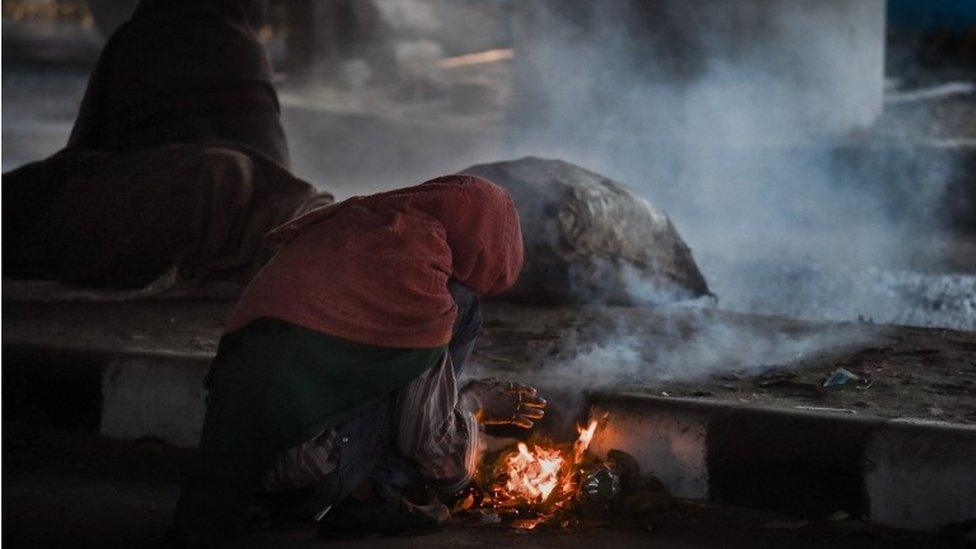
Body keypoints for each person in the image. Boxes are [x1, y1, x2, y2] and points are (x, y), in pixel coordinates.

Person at [172, 174, 545, 543]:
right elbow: (429, 445)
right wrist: (475, 406)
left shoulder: (359, 227)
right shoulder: (418, 278)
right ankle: (374, 496)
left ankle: (329, 493)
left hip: (231, 480)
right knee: (463, 306)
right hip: (306, 478)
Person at [2, 0, 330, 290]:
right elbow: (271, 176)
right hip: (175, 198)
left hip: (123, 197)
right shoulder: (234, 47)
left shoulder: (129, 40)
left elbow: (87, 147)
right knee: (247, 189)